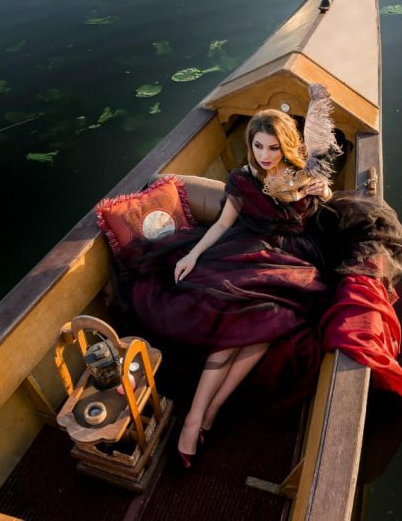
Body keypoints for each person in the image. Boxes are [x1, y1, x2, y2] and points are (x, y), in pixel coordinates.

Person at [130, 108, 334, 468]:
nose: (265, 155)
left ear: (285, 146)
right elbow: (223, 224)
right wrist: (192, 254)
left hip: (294, 257)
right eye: (258, 146)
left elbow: (321, 204)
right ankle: (196, 418)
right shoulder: (241, 179)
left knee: (265, 324)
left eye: (273, 147)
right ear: (250, 144)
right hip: (248, 248)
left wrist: (325, 190)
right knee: (240, 327)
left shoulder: (304, 172)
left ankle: (209, 412)